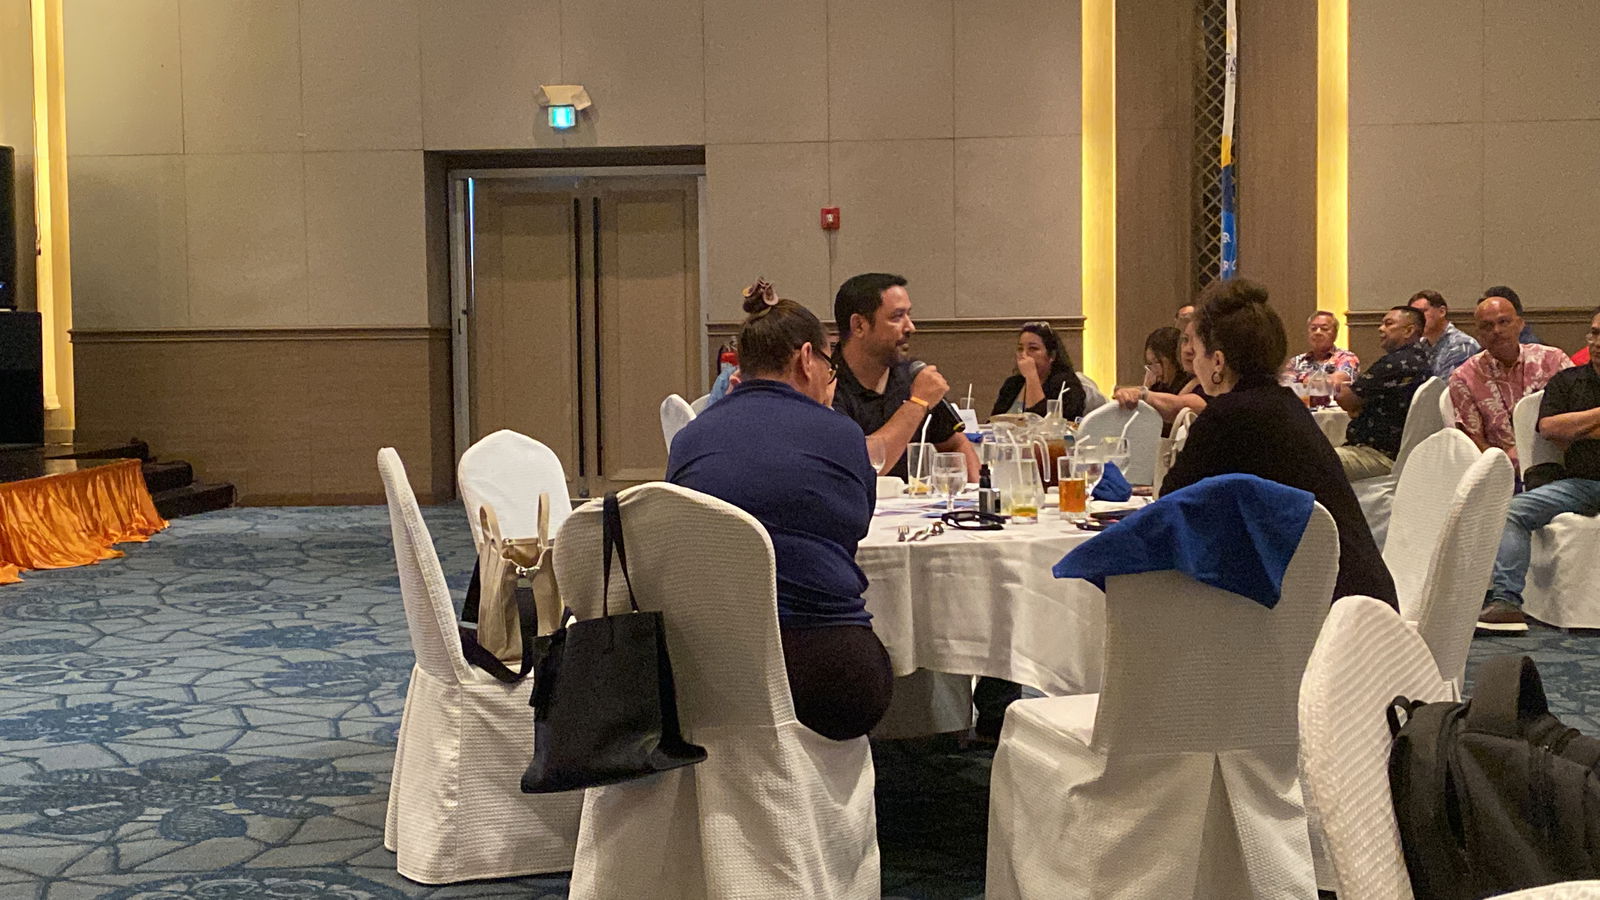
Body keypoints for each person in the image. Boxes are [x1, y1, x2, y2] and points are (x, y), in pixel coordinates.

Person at [667, 280, 891, 739]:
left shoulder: (690, 438)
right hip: (826, 673)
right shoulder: (840, 435)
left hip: (701, 672)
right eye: (830, 368)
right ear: (806, 358)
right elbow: (854, 529)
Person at [1159, 278, 1398, 608]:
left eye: (1196, 351)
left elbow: (1170, 506)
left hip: (1326, 618)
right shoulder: (1283, 404)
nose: (1193, 360)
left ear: (1217, 361)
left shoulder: (1227, 416)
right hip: (1362, 598)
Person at [1478, 306, 1600, 633]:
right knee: (1512, 512)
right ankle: (1506, 602)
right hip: (1583, 484)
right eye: (1594, 333)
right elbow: (1549, 428)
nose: (1597, 342)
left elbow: (1567, 429)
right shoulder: (1569, 381)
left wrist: (1580, 427)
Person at [831, 273, 979, 480]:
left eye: (909, 315)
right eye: (897, 317)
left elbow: (956, 444)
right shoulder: (826, 384)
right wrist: (917, 403)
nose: (910, 327)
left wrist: (974, 497)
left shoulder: (911, 376)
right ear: (859, 326)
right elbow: (861, 466)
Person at [1447, 295, 1572, 465]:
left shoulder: (1553, 360)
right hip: (1504, 470)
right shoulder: (1464, 377)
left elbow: (1579, 410)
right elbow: (1473, 441)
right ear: (1479, 334)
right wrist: (1504, 463)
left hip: (1561, 459)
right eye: (1487, 326)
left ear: (1520, 324)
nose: (1497, 331)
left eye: (1504, 322)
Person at [1334, 306, 1432, 481]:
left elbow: (1346, 399)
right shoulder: (1422, 360)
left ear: (1409, 330)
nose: (1380, 329)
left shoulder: (1393, 364)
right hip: (1405, 455)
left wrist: (1355, 405)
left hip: (1378, 455)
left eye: (1388, 324)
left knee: (1309, 461)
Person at [1112, 325, 1208, 430]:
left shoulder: (1206, 387)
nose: (1187, 350)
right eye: (1185, 340)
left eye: (1157, 362)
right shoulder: (1160, 386)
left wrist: (1141, 393)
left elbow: (1187, 406)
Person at [990, 321, 1087, 419]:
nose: (1024, 354)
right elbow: (993, 421)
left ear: (1052, 356)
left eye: (1033, 349)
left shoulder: (1067, 385)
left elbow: (1041, 423)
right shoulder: (1012, 384)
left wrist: (1031, 376)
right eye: (1020, 349)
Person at [1408, 290, 1480, 377]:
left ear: (1442, 312)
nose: (1417, 319)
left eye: (1423, 312)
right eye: (1414, 315)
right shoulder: (1420, 345)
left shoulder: (1462, 345)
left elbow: (1449, 387)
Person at [1285, 311, 1361, 387]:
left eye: (1324, 329)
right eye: (1313, 329)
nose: (1317, 332)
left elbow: (1335, 382)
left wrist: (1301, 381)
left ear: (1335, 334)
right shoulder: (1296, 362)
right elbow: (1285, 385)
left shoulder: (1346, 358)